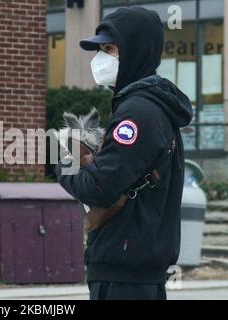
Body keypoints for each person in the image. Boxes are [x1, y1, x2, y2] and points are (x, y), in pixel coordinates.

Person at [55, 7, 193, 300]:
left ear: (135, 51)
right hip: (132, 273)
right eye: (99, 50)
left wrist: (62, 161)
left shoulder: (139, 112)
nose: (99, 58)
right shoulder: (147, 106)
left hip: (125, 277)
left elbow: (99, 187)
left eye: (109, 48)